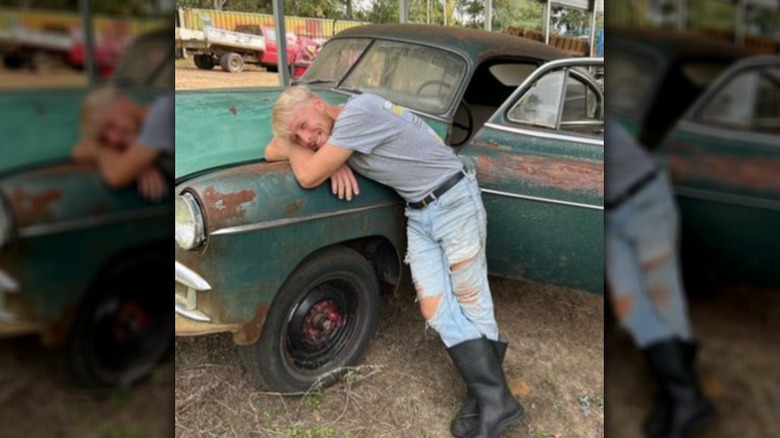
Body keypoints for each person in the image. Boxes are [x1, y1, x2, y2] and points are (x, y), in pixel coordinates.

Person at [264, 86, 524, 438]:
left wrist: (325, 160)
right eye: (299, 135)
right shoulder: (338, 133)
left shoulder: (358, 114)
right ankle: (491, 396)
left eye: (306, 126)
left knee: (471, 300)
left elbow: (308, 175)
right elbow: (272, 149)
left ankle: (491, 401)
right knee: (435, 308)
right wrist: (325, 155)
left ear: (318, 103)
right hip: (420, 213)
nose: (307, 138)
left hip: (453, 201)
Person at [605, 117, 715, 438]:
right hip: (611, 215)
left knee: (666, 302)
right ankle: (685, 396)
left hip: (644, 201)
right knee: (631, 307)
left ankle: (680, 398)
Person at [72, 87, 174, 201]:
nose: (114, 139)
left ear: (124, 103)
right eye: (104, 139)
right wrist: (138, 162)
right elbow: (79, 150)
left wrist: (130, 165)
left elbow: (116, 176)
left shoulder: (161, 116)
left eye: (110, 125)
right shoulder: (149, 134)